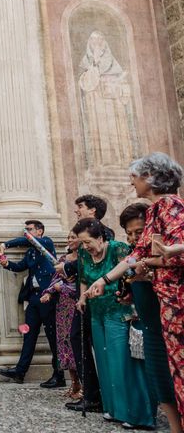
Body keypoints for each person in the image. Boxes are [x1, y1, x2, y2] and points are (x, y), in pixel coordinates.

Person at [87, 152, 184, 429]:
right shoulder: (154, 209)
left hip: (177, 300)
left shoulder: (171, 205)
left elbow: (174, 254)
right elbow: (135, 255)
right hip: (166, 303)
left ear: (151, 177)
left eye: (135, 175)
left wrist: (150, 261)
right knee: (170, 372)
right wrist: (104, 279)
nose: (131, 181)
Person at [75, 218, 156, 429]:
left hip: (119, 309)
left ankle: (134, 412)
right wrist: (82, 298)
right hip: (96, 310)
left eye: (88, 242)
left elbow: (130, 273)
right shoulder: (84, 254)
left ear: (101, 238)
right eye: (82, 243)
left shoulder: (119, 249)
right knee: (103, 360)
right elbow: (84, 277)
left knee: (122, 361)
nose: (85, 247)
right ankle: (113, 408)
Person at [119, 202, 182, 432]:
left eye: (139, 232)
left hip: (171, 329)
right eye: (130, 234)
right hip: (151, 331)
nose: (135, 238)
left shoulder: (164, 260)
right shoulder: (133, 258)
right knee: (161, 383)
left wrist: (150, 275)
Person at [0, 220, 62, 387]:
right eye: (26, 230)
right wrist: (6, 264)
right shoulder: (31, 253)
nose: (27, 232)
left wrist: (5, 244)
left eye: (30, 230)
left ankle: (59, 375)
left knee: (53, 338)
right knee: (29, 336)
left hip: (48, 297)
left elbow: (28, 240)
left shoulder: (47, 242)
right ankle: (20, 371)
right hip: (33, 299)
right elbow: (20, 267)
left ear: (40, 231)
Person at [62, 194, 111, 413]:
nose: (76, 210)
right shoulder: (84, 239)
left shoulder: (103, 233)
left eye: (80, 207)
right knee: (78, 340)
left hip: (100, 299)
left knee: (90, 343)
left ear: (93, 211)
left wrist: (66, 269)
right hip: (85, 298)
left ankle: (95, 396)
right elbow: (83, 271)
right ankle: (91, 394)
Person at [40, 231, 80, 399]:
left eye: (73, 237)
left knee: (77, 344)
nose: (70, 239)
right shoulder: (63, 259)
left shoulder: (83, 260)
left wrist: (61, 288)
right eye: (69, 237)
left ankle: (85, 385)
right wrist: (49, 292)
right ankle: (74, 383)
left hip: (77, 305)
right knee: (65, 344)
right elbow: (56, 279)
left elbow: (81, 284)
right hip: (62, 307)